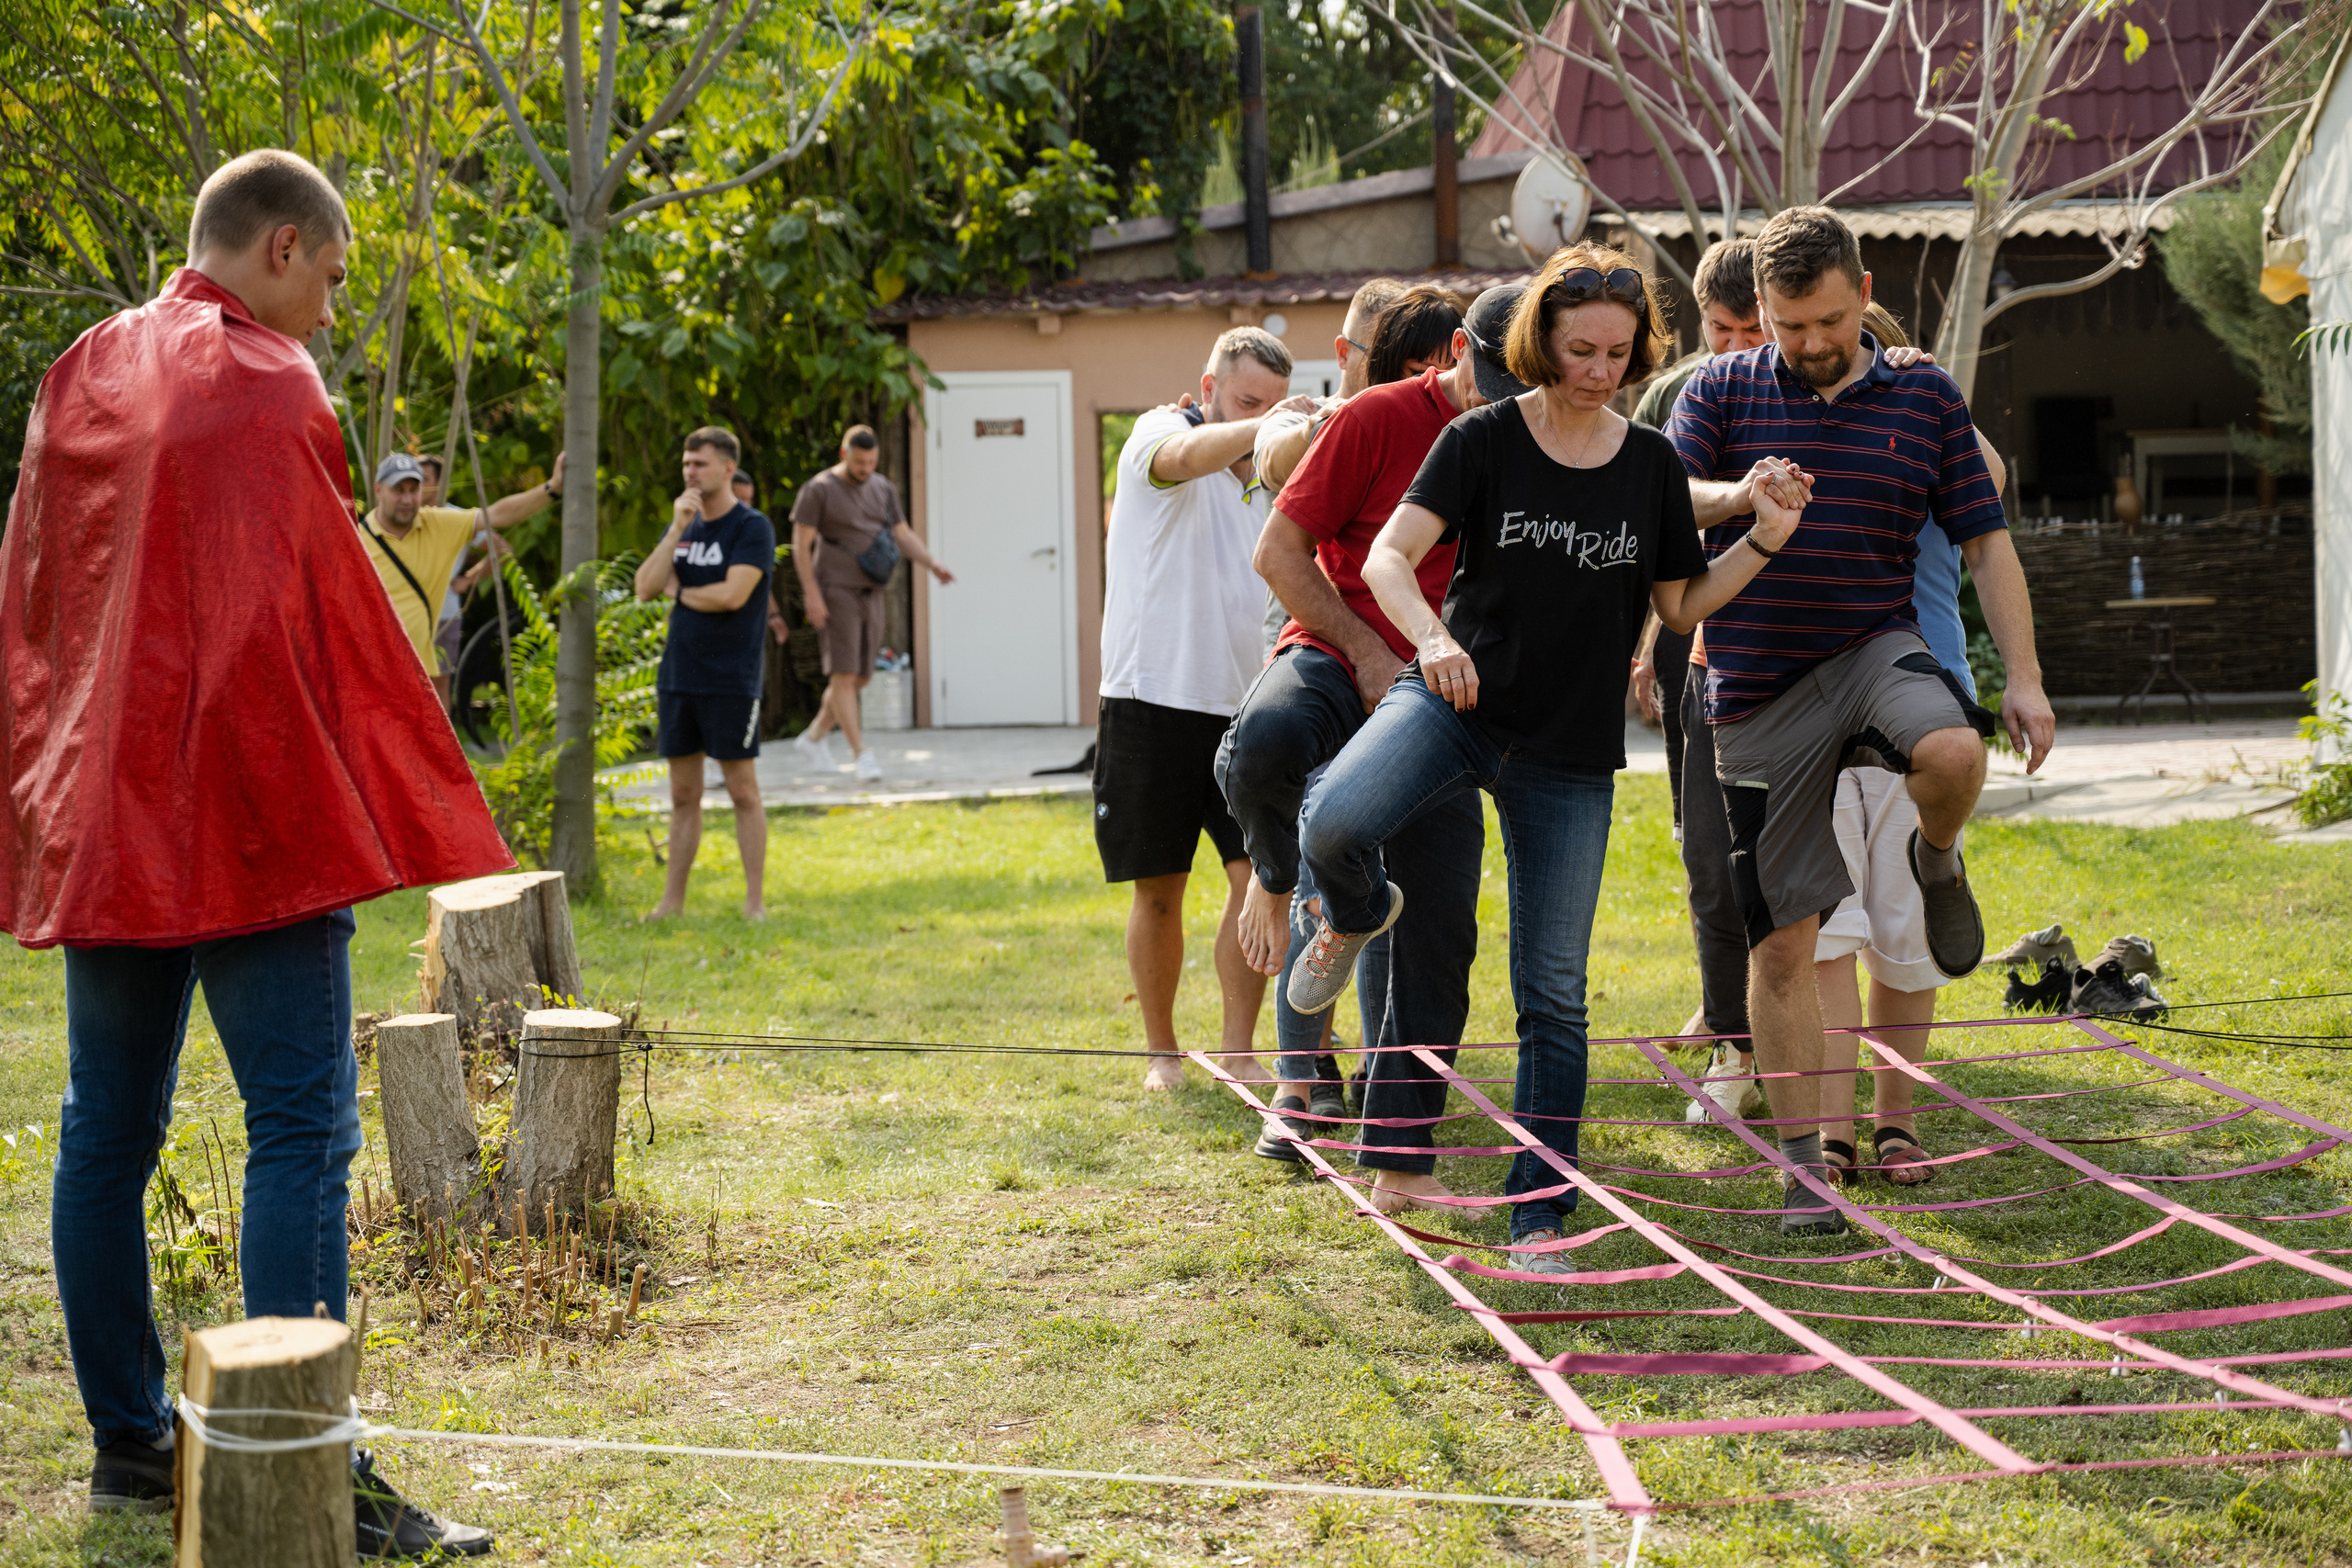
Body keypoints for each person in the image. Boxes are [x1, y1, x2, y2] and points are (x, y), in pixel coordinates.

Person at [1, 147, 505, 1554]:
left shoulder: (81, 367)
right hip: (250, 811)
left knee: (107, 1123)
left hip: (108, 812)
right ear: (282, 247)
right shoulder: (275, 380)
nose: (334, 311)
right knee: (298, 1121)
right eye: (334, 278)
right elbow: (310, 614)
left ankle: (130, 1448)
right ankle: (301, 1462)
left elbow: (38, 600)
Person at [1294, 246, 1799, 1272]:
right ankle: (1351, 914)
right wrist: (1430, 640)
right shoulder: (1480, 440)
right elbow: (1390, 557)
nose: (1598, 369)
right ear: (1539, 341)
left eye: (1618, 352)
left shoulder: (1651, 463)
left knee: (1552, 996)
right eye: (1579, 349)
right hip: (1454, 704)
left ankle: (1540, 1219)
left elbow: (1679, 607)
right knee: (1331, 824)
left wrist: (1762, 541)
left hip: (1567, 751)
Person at [1665, 206, 2053, 1235]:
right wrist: (1738, 495)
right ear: (1762, 311)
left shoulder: (1922, 392)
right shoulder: (1718, 389)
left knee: (1952, 750)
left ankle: (1939, 858)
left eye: (1826, 321)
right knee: (1785, 946)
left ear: (1864, 293)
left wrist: (2024, 676)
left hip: (1877, 649)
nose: (1808, 344)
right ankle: (1803, 1171)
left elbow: (1986, 539)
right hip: (1754, 685)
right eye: (1787, 325)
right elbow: (1663, 506)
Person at [1215, 285, 1497, 1197]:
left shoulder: (1540, 439)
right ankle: (1280, 895)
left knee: (1435, 910)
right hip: (1340, 651)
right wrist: (1371, 652)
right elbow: (1276, 537)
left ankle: (1398, 1131)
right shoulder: (1368, 419)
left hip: (1450, 683)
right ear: (1447, 359)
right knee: (1265, 756)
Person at [1097, 326, 1304, 1091]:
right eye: (1250, 400)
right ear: (1208, 388)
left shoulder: (1277, 475)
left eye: (1276, 405)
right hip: (1150, 699)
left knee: (1256, 877)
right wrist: (1275, 426)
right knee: (1160, 886)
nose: (1265, 418)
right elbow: (1184, 459)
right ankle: (1162, 1052)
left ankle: (1239, 1048)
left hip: (1249, 703)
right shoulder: (1160, 430)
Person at [635, 427, 778, 921]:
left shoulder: (752, 528)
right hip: (679, 676)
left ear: (727, 469)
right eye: (686, 464)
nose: (690, 472)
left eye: (700, 464)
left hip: (731, 679)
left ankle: (754, 902)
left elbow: (732, 596)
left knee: (742, 791)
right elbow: (644, 586)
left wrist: (681, 592)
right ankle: (671, 903)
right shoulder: (685, 526)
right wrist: (675, 531)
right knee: (682, 795)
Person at [787, 426, 954, 782]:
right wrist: (811, 594)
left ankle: (814, 737)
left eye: (871, 463)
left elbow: (902, 534)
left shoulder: (883, 488)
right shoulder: (818, 490)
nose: (865, 469)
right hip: (835, 590)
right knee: (843, 675)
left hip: (872, 590)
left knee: (861, 677)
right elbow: (800, 545)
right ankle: (861, 754)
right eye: (859, 462)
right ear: (844, 454)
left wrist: (932, 563)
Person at [362, 447, 562, 696]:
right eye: (397, 490)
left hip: (421, 668)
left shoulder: (439, 523)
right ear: (378, 490)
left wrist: (552, 488)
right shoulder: (354, 540)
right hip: (369, 675)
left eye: (413, 490)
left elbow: (498, 515)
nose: (407, 499)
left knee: (440, 691)